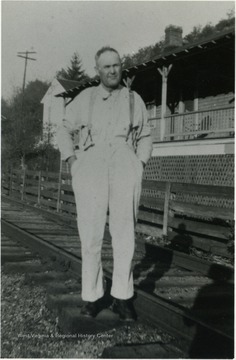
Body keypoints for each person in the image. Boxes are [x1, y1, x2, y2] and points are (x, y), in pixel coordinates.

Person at [57, 46, 153, 321]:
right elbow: (64, 129)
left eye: (116, 65)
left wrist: (140, 163)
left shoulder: (134, 100)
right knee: (91, 234)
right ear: (97, 70)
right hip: (91, 163)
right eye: (106, 66)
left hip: (125, 162)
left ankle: (122, 297)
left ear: (122, 67)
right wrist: (73, 161)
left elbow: (146, 135)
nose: (112, 71)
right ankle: (93, 296)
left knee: (124, 233)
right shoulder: (85, 98)